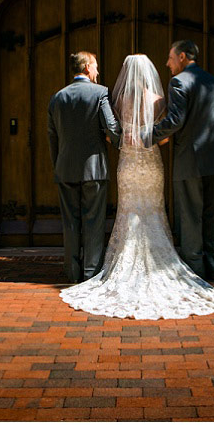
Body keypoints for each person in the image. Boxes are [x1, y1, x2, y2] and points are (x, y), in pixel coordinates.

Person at [59, 54, 214, 319]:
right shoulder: (159, 100)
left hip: (127, 164)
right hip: (150, 164)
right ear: (149, 74)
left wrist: (123, 138)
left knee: (129, 213)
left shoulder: (117, 100)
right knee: (153, 213)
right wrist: (149, 137)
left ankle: (99, 268)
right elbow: (163, 138)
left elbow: (110, 130)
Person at [148, 40, 214, 280]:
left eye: (170, 58)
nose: (167, 63)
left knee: (191, 213)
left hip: (190, 159)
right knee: (208, 213)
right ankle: (211, 263)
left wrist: (148, 135)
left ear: (182, 56)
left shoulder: (179, 82)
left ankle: (195, 269)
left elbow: (175, 120)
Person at [48, 51, 121, 283]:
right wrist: (119, 143)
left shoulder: (57, 97)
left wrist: (58, 165)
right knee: (93, 222)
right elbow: (110, 126)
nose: (98, 71)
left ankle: (72, 272)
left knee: (70, 222)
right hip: (95, 169)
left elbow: (52, 138)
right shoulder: (100, 93)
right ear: (88, 67)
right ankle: (91, 273)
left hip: (65, 168)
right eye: (96, 66)